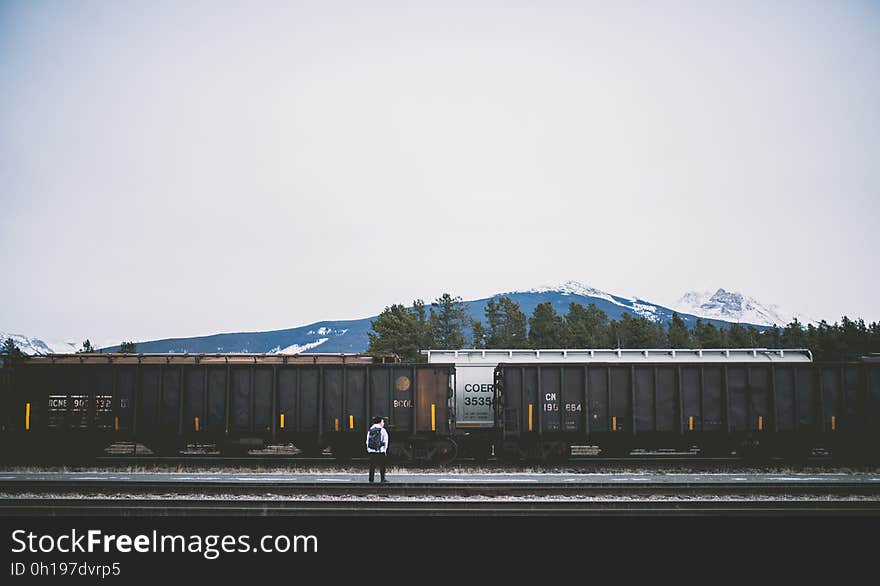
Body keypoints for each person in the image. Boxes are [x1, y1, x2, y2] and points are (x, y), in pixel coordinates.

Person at [366, 416, 389, 483]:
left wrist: (369, 449)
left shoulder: (370, 430)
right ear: (380, 422)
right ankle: (382, 479)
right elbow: (385, 441)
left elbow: (367, 441)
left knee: (372, 466)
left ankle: (371, 479)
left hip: (372, 451)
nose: (383, 423)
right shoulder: (382, 430)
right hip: (380, 451)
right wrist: (384, 450)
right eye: (382, 421)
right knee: (382, 465)